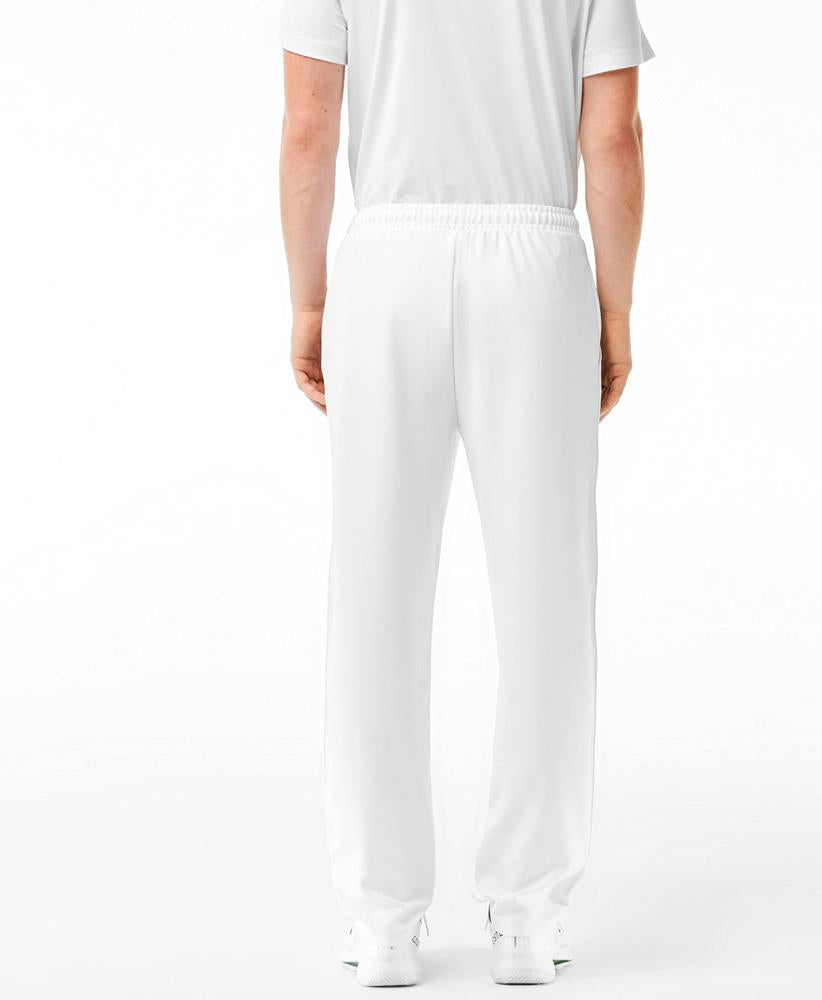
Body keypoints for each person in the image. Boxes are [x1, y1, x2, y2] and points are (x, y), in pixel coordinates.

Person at [279, 0, 652, 987]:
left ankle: (381, 921)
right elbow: (613, 134)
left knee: (373, 595)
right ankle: (527, 919)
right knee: (547, 601)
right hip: (536, 265)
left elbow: (309, 126)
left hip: (385, 263)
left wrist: (309, 299)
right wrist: (614, 309)